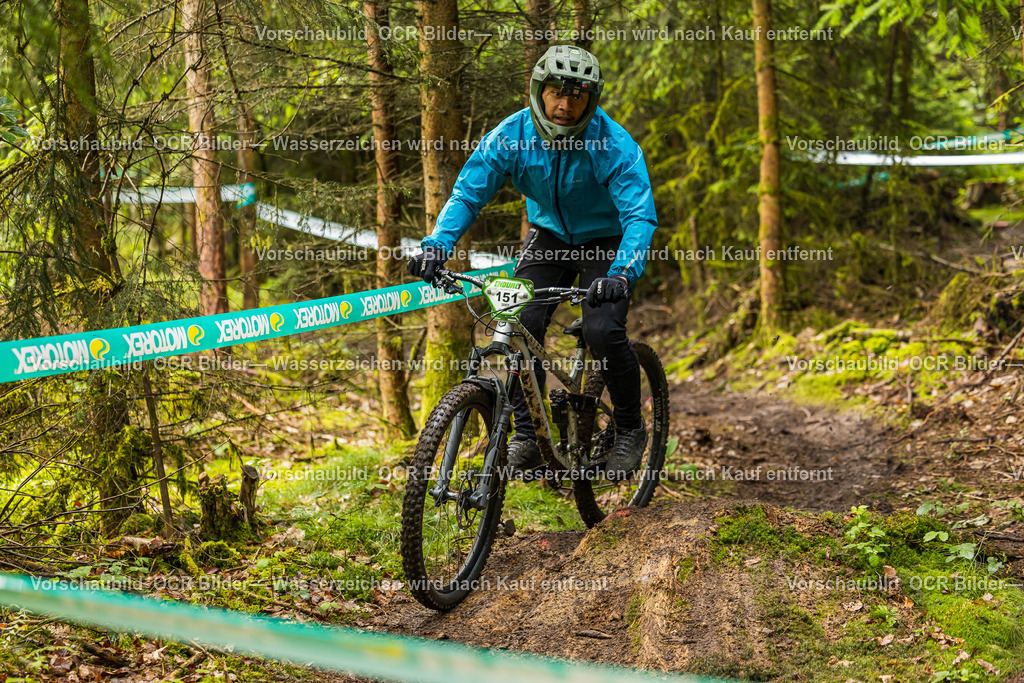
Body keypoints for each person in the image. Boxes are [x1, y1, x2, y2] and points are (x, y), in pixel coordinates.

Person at [408, 45, 657, 481]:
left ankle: (630, 429)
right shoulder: (512, 135)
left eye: (577, 95)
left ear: (590, 99)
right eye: (556, 93)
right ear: (538, 91)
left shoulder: (613, 143)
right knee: (518, 322)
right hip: (549, 237)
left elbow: (639, 214)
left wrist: (621, 273)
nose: (565, 105)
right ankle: (527, 436)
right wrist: (436, 245)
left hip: (607, 241)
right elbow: (469, 193)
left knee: (602, 329)